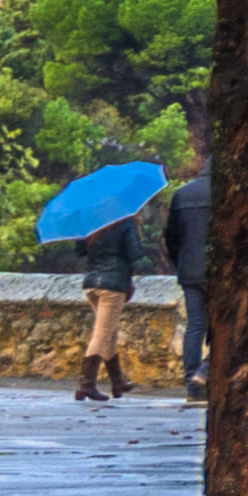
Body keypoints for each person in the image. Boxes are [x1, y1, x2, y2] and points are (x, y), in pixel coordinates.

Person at [70, 154, 149, 405]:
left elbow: (80, 251)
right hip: (113, 285)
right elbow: (136, 255)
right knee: (102, 333)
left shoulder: (92, 219)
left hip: (91, 283)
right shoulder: (125, 222)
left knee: (109, 333)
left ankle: (118, 382)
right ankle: (86, 385)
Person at [160, 137, 214, 397]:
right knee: (222, 325)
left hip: (190, 271)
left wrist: (180, 262)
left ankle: (192, 383)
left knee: (195, 326)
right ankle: (206, 370)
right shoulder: (235, 193)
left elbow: (171, 237)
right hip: (220, 274)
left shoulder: (183, 194)